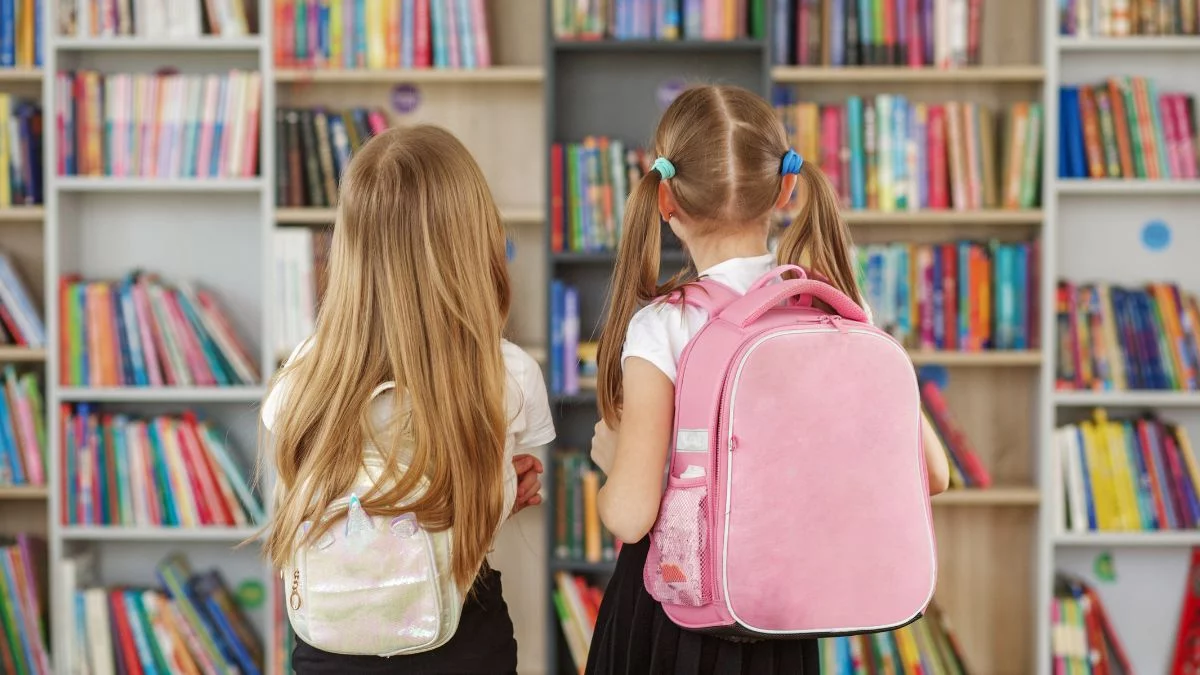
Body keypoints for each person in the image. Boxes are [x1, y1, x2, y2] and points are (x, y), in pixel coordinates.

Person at [585, 84, 951, 675]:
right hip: (783, 615)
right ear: (785, 188)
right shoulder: (834, 309)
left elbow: (630, 514)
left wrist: (612, 461)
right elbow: (932, 474)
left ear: (665, 198)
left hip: (679, 616)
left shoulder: (665, 325)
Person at [259, 125, 554, 675]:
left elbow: (307, 502)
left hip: (328, 645)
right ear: (474, 238)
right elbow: (471, 512)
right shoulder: (507, 371)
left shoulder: (302, 371)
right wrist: (496, 489)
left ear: (348, 246)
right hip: (462, 642)